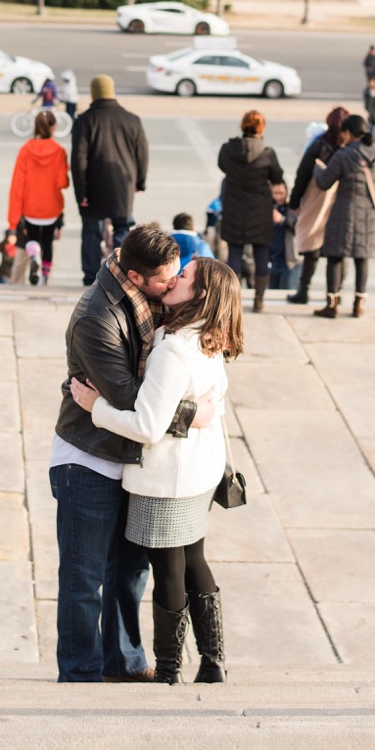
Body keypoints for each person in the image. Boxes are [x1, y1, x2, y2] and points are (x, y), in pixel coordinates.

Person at [49, 224, 212, 684]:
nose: (173, 285)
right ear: (136, 277)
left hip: (133, 454)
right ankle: (80, 675)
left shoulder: (150, 296)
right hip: (89, 456)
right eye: (165, 280)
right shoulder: (95, 319)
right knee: (84, 578)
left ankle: (122, 661)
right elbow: (127, 398)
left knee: (129, 570)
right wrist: (190, 413)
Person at [70, 255, 241, 685]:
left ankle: (168, 672)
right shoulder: (210, 338)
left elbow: (146, 426)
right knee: (195, 559)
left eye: (183, 276)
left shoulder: (174, 349)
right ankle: (213, 661)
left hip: (167, 480)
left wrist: (98, 408)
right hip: (200, 473)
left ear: (198, 294)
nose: (174, 278)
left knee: (169, 569)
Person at [313, 113, 375, 319]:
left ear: (348, 133)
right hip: (369, 213)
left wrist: (317, 168)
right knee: (362, 258)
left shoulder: (343, 155)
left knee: (335, 257)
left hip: (343, 212)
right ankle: (359, 304)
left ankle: (332, 304)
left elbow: (324, 183)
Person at [71, 75, 149, 286]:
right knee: (122, 230)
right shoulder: (132, 120)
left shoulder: (84, 121)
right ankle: (120, 276)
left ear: (94, 93)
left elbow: (78, 161)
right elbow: (142, 154)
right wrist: (140, 182)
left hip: (93, 188)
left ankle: (90, 278)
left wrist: (81, 193)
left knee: (91, 232)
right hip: (123, 187)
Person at [217, 110, 284, 314]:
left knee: (234, 254)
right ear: (261, 129)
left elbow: (222, 166)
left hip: (234, 208)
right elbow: (278, 177)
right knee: (261, 254)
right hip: (260, 211)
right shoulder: (268, 153)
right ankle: (258, 300)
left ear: (242, 126)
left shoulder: (228, 150)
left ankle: (232, 303)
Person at [286, 106, 349, 306]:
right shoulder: (350, 147)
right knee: (337, 249)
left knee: (311, 247)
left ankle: (303, 290)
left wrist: (294, 202)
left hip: (316, 200)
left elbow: (302, 173)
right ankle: (335, 293)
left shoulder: (319, 144)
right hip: (341, 200)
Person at [8, 110, 70, 286]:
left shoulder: (25, 150)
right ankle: (43, 277)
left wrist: (13, 221)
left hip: (30, 208)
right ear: (53, 127)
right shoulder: (59, 151)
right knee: (48, 243)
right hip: (51, 207)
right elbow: (62, 183)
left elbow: (17, 185)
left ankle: (33, 254)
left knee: (32, 238)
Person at [268, 182, 300, 291]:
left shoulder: (293, 208)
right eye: (275, 193)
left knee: (287, 293)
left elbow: (297, 227)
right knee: (272, 294)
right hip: (274, 260)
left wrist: (282, 220)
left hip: (290, 261)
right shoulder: (270, 208)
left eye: (281, 193)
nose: (278, 196)